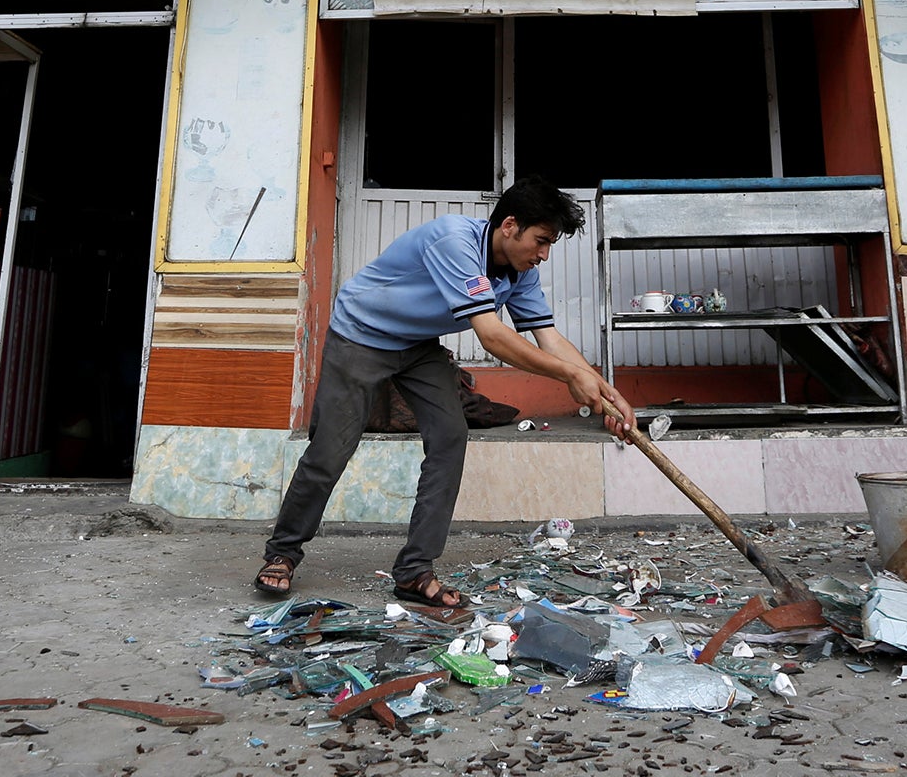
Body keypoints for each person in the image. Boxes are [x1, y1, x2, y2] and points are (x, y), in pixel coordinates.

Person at [255, 177, 634, 609]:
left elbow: (549, 338)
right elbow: (491, 337)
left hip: (417, 347)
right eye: (541, 241)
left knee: (451, 438)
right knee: (331, 450)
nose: (543, 254)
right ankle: (283, 553)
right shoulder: (453, 240)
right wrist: (570, 377)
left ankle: (414, 571)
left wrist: (607, 393)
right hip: (361, 335)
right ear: (509, 226)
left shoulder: (519, 272)